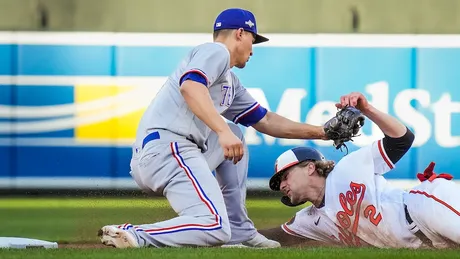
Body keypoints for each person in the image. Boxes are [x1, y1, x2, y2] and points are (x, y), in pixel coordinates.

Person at [98, 7, 327, 248]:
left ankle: (239, 230)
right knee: (215, 226)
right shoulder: (215, 51)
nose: (253, 48)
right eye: (252, 38)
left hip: (172, 153)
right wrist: (221, 131)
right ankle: (134, 234)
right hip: (169, 148)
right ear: (240, 33)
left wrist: (321, 132)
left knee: (236, 134)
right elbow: (191, 87)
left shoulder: (230, 79)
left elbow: (266, 120)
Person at [265, 91, 460, 249]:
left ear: (309, 168)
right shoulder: (307, 220)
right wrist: (235, 232)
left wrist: (367, 109)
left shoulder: (349, 167)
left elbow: (402, 140)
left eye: (285, 176)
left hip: (425, 208)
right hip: (425, 245)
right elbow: (273, 237)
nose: (281, 185)